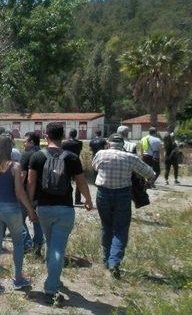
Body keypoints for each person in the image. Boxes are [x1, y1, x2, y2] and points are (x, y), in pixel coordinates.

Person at [27, 122, 93, 307]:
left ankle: (53, 278)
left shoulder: (37, 156)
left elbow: (31, 183)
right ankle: (51, 288)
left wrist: (30, 207)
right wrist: (88, 200)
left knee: (51, 245)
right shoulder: (71, 157)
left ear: (46, 135)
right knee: (57, 248)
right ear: (62, 136)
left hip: (44, 209)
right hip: (65, 209)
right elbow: (81, 183)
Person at [92, 134, 155, 279]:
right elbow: (150, 173)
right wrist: (148, 182)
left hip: (103, 194)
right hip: (122, 195)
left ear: (108, 143)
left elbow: (94, 166)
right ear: (123, 144)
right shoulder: (130, 158)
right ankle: (114, 262)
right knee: (120, 228)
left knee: (106, 225)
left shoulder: (100, 154)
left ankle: (106, 259)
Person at [0, 135, 37, 294]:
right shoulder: (15, 166)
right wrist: (30, 209)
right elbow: (19, 192)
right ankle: (18, 279)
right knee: (18, 243)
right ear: (9, 148)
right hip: (11, 208)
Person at [20, 132, 44, 255]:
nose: (24, 143)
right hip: (42, 194)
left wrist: (17, 190)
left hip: (26, 194)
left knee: (19, 219)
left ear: (31, 142)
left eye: (25, 141)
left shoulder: (26, 155)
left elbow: (23, 176)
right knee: (38, 221)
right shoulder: (44, 154)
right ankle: (38, 245)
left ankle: (27, 244)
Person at [62, 129, 84, 205]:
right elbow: (79, 151)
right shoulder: (79, 143)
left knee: (66, 181)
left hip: (66, 163)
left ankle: (65, 199)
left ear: (69, 134)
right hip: (76, 162)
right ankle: (77, 200)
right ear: (76, 134)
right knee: (78, 182)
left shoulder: (64, 143)